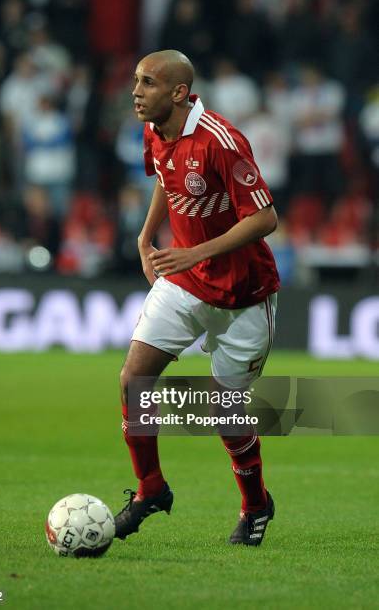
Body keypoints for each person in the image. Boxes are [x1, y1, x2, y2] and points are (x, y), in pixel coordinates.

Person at [115, 50, 280, 547]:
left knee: (224, 410)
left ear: (179, 93)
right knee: (134, 378)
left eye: (147, 82)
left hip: (244, 293)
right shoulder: (155, 129)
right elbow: (166, 182)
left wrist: (195, 253)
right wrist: (146, 238)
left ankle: (256, 504)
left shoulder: (221, 141)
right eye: (135, 80)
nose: (136, 91)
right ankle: (150, 489)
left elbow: (266, 217)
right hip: (185, 280)